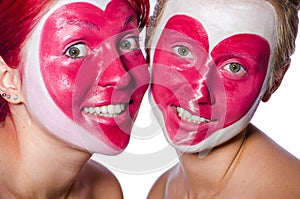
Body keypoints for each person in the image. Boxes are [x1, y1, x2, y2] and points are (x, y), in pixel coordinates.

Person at [146, 0, 300, 198]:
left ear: (275, 80)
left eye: (234, 67)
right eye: (182, 51)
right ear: (148, 44)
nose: (199, 92)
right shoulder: (162, 190)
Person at [0, 0, 149, 198]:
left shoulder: (104, 191)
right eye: (75, 51)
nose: (121, 77)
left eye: (127, 43)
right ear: (7, 79)